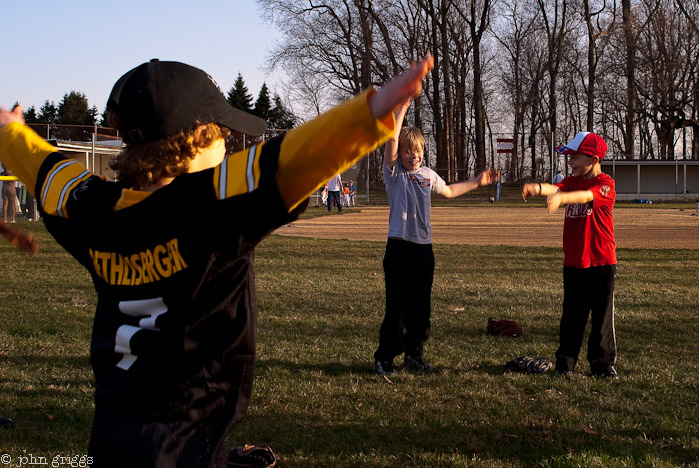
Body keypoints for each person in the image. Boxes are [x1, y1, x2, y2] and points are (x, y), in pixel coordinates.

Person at [0, 55, 435, 467]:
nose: (227, 144)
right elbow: (294, 160)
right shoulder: (207, 206)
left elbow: (44, 168)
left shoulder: (92, 208)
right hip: (185, 443)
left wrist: (9, 131)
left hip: (112, 434)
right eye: (220, 133)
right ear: (195, 143)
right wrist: (371, 114)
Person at [373, 100, 499, 376]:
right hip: (399, 249)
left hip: (423, 250)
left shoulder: (428, 175)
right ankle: (384, 358)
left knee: (420, 308)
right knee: (397, 310)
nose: (413, 157)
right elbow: (392, 140)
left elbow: (450, 191)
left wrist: (477, 182)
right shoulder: (393, 173)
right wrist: (401, 109)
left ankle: (414, 355)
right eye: (408, 152)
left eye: (417, 151)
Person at [522, 131, 618, 379]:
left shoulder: (606, 183)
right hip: (574, 263)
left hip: (601, 262)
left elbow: (586, 196)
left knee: (601, 318)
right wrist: (538, 188)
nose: (570, 161)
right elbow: (556, 187)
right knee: (572, 317)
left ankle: (602, 366)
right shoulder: (571, 180)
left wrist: (563, 198)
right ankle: (565, 364)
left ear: (593, 159)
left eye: (575, 157)